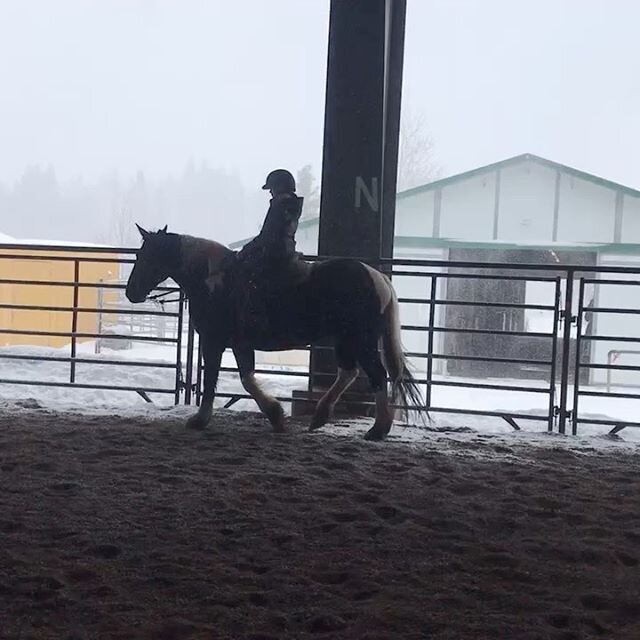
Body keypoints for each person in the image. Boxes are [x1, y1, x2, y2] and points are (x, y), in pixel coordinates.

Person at [233, 169, 307, 341]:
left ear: (280, 187)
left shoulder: (280, 205)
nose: (271, 193)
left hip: (274, 253)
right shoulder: (291, 205)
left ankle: (255, 318)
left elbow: (267, 235)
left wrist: (246, 250)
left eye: (272, 188)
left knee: (248, 278)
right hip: (285, 249)